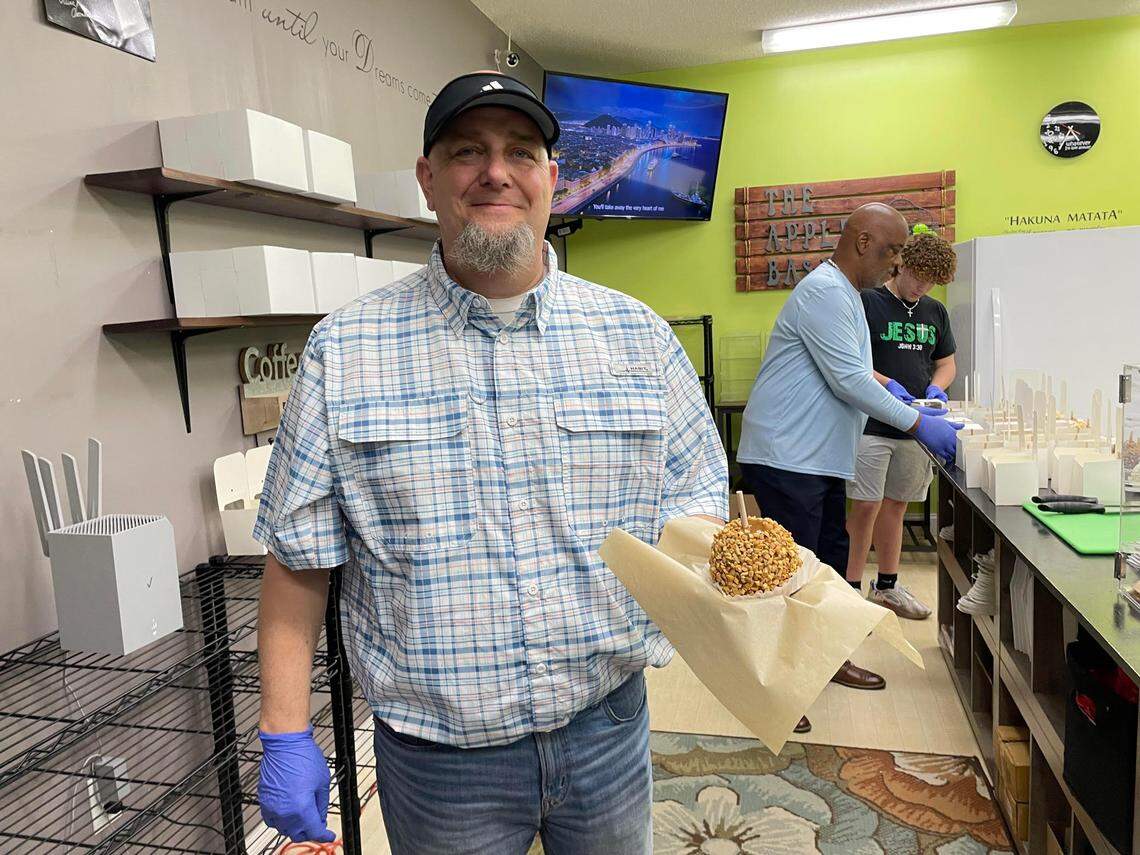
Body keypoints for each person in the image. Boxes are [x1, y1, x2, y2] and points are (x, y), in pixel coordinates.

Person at [252, 71, 727, 855]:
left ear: (552, 177)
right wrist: (283, 731)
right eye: (467, 150)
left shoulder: (638, 337)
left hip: (607, 725)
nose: (495, 171)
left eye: (521, 151)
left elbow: (700, 499)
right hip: (440, 761)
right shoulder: (345, 352)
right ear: (428, 178)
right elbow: (298, 562)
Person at [735, 204, 961, 728]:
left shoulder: (846, 295)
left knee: (830, 565)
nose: (893, 265)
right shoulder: (825, 293)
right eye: (890, 252)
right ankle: (777, 690)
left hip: (816, 458)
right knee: (787, 578)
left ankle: (826, 659)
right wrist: (915, 422)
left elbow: (858, 371)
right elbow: (848, 382)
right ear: (862, 242)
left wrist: (894, 388)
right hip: (787, 457)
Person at [846, 229, 958, 620]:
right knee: (865, 506)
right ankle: (850, 591)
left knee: (896, 506)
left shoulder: (934, 312)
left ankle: (888, 587)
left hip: (916, 427)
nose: (922, 287)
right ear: (902, 264)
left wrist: (936, 388)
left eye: (931, 282)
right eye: (918, 277)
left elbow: (946, 363)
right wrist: (887, 385)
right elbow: (853, 363)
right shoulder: (868, 302)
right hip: (872, 425)